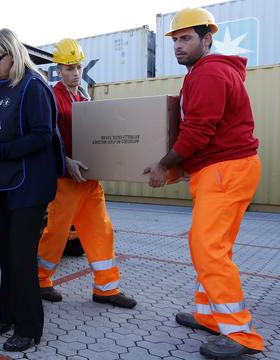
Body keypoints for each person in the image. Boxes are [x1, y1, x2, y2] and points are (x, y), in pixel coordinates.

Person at [144, 7, 263, 358]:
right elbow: (203, 134)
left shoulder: (209, 74)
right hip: (224, 169)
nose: (178, 46)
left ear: (207, 38)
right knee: (210, 247)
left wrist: (165, 164)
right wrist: (180, 169)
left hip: (226, 170)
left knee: (209, 249)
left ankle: (240, 334)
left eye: (186, 38)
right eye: (175, 40)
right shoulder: (202, 72)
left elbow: (199, 131)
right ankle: (211, 316)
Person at [0, 28, 63, 352]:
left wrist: (0, 152)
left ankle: (29, 327)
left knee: (21, 256)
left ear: (11, 54)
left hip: (29, 186)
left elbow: (43, 135)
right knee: (5, 248)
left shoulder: (34, 87)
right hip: (5, 181)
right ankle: (8, 313)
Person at [36, 38, 137, 309]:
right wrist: (66, 160)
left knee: (101, 231)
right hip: (66, 180)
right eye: (69, 68)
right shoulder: (52, 97)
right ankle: (39, 280)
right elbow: (46, 137)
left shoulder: (83, 96)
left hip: (90, 181)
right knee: (56, 233)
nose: (75, 72)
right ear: (58, 69)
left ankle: (106, 288)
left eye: (78, 67)